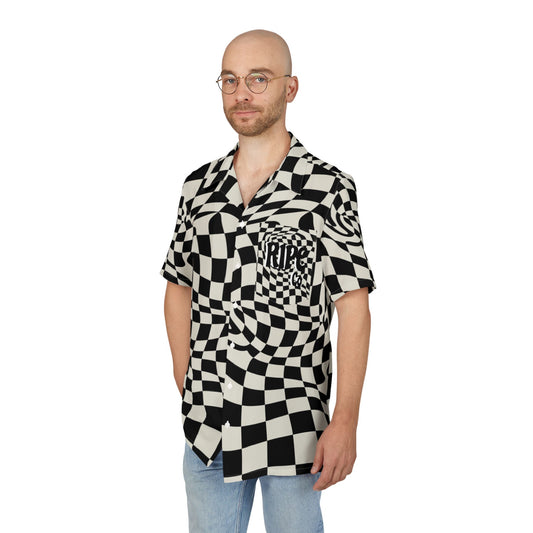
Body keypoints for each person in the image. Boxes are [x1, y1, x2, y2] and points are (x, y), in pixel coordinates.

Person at [160, 28, 377, 533]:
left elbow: (353, 306)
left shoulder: (327, 188)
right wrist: (186, 378)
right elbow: (177, 287)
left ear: (290, 88)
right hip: (210, 425)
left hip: (292, 420)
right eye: (230, 80)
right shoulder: (198, 189)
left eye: (258, 78)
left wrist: (346, 419)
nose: (242, 93)